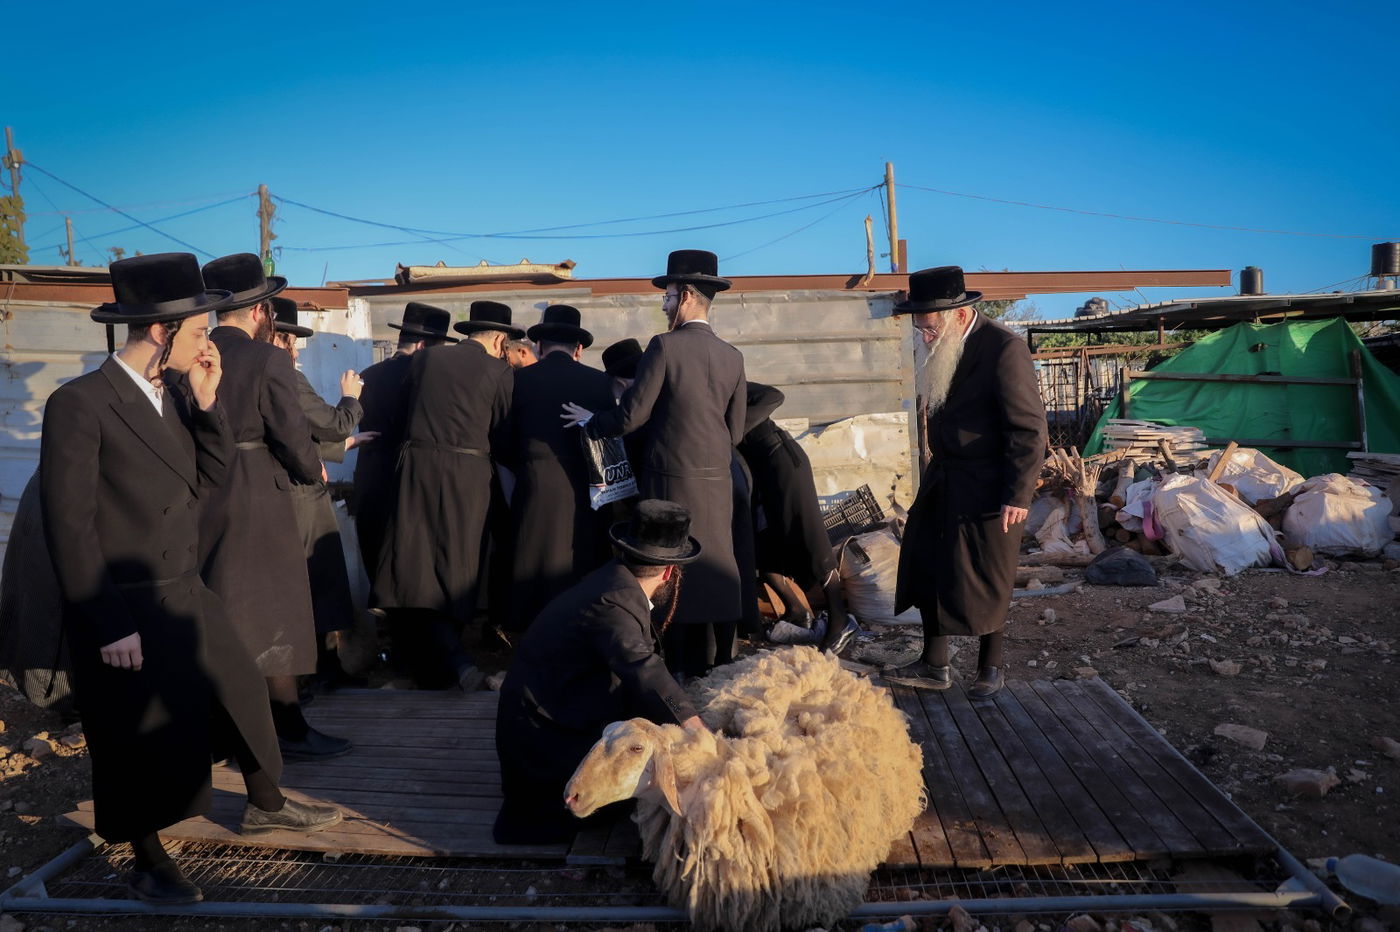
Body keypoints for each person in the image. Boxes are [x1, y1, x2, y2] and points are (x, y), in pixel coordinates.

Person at [40, 253, 339, 904]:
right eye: (202, 331)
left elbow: (207, 481)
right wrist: (108, 621)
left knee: (241, 688)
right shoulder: (80, 404)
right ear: (160, 331)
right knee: (131, 735)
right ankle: (148, 859)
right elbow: (69, 526)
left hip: (184, 590)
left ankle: (267, 800)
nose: (211, 343)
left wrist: (206, 408)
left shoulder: (176, 397)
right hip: (121, 601)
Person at [565, 250, 746, 678]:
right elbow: (736, 431)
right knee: (717, 563)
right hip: (717, 479)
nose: (663, 305)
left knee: (672, 567)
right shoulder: (732, 355)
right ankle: (721, 659)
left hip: (670, 478)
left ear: (685, 296)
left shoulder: (663, 346)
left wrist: (593, 423)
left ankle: (679, 666)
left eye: (666, 297)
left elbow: (631, 416)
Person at [201, 254, 349, 759]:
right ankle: (288, 726)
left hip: (203, 494)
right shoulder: (268, 360)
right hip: (258, 493)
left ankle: (227, 730)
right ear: (261, 310)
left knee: (220, 611)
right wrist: (311, 471)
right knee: (274, 614)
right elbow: (293, 437)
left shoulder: (190, 355)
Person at [494, 499, 707, 844]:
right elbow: (643, 668)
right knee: (640, 785)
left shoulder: (611, 582)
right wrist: (696, 728)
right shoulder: (614, 602)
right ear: (670, 571)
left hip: (550, 712)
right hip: (541, 744)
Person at [888, 266, 1047, 698]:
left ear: (958, 315)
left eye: (930, 327)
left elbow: (1029, 430)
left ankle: (989, 668)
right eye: (919, 328)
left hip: (991, 485)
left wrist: (1019, 493)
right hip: (946, 477)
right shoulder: (944, 345)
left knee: (987, 574)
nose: (924, 336)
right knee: (929, 564)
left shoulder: (1003, 349)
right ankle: (933, 663)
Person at [374, 300, 519, 689]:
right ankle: (453, 659)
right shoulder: (500, 371)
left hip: (417, 469)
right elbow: (504, 435)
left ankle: (437, 666)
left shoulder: (427, 360)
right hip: (468, 476)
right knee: (460, 561)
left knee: (414, 559)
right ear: (500, 340)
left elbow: (400, 413)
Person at [270, 297, 375, 687]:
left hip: (277, 492)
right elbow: (333, 424)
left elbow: (290, 439)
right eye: (291, 340)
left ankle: (317, 671)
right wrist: (350, 396)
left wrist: (340, 449)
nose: (295, 349)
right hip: (300, 495)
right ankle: (324, 672)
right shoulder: (283, 376)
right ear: (277, 337)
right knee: (323, 578)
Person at [500, 305, 617, 633]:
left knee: (531, 561)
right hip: (587, 487)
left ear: (539, 346)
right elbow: (609, 438)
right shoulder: (599, 383)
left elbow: (501, 438)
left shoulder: (518, 380)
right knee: (582, 560)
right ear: (578, 349)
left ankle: (530, 635)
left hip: (535, 481)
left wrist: (526, 463)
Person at [737, 381, 850, 648]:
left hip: (782, 463)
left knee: (811, 542)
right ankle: (797, 611)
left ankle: (840, 620)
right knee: (763, 548)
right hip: (759, 476)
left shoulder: (725, 382)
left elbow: (773, 396)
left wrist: (733, 432)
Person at [351, 301, 457, 586]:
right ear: (424, 345)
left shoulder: (368, 374)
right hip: (411, 478)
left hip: (370, 475)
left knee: (374, 552)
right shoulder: (428, 378)